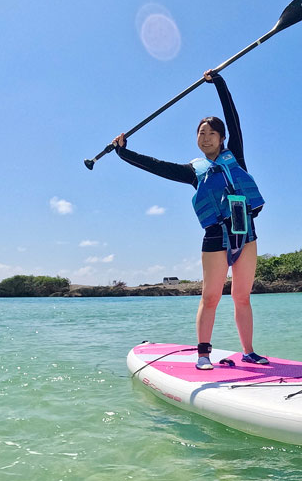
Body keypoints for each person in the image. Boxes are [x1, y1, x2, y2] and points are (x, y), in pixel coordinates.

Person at [111, 70, 268, 370]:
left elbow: (233, 117)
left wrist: (219, 83)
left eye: (211, 133)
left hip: (246, 234)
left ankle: (249, 351)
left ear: (222, 138)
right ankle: (203, 354)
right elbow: (156, 166)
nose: (206, 137)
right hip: (215, 238)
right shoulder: (192, 171)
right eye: (201, 133)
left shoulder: (235, 155)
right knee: (210, 297)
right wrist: (124, 153)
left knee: (242, 297)